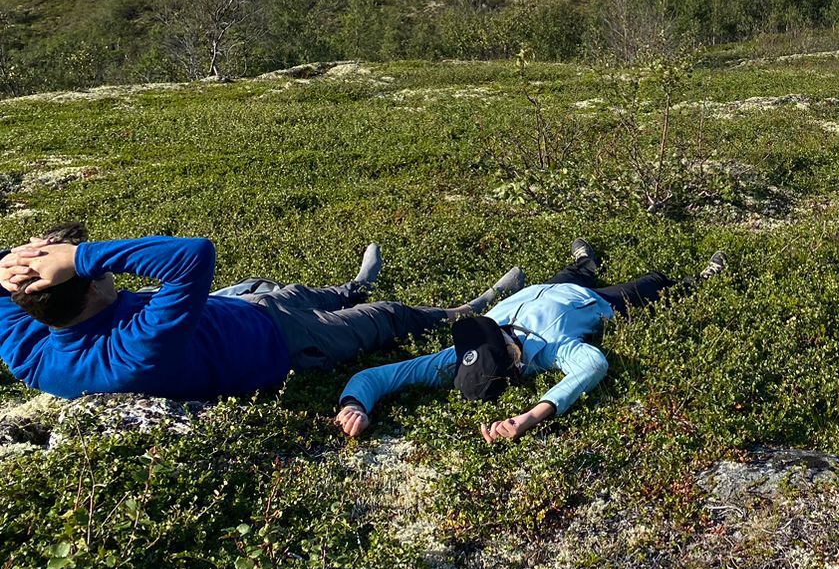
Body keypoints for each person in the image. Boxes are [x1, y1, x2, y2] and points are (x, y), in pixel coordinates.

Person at [0, 225, 523, 401]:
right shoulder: (132, 353)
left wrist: (12, 263)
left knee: (283, 288)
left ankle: (351, 286)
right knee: (382, 318)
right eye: (101, 273)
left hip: (235, 308)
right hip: (287, 343)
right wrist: (79, 257)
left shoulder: (34, 354)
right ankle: (461, 310)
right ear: (90, 289)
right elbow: (191, 255)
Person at [334, 239, 726, 444]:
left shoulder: (455, 360)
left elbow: (377, 377)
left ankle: (585, 260)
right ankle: (704, 278)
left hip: (548, 287)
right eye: (501, 340)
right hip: (598, 302)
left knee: (578, 269)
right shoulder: (549, 352)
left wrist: (354, 405)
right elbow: (593, 364)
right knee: (654, 283)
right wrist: (531, 417)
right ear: (514, 362)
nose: (499, 329)